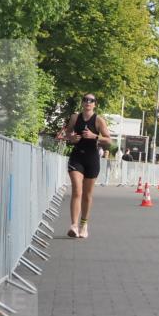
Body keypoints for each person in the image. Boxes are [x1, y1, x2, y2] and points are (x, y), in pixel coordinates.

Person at [57, 94, 110, 238]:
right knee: (76, 190)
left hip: (92, 159)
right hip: (77, 157)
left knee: (87, 195)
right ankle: (73, 226)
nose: (88, 102)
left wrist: (95, 136)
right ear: (82, 103)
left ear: (95, 104)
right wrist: (71, 138)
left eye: (91, 100)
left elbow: (109, 141)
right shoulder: (75, 117)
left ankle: (84, 224)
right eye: (85, 100)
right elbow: (67, 134)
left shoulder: (99, 120)